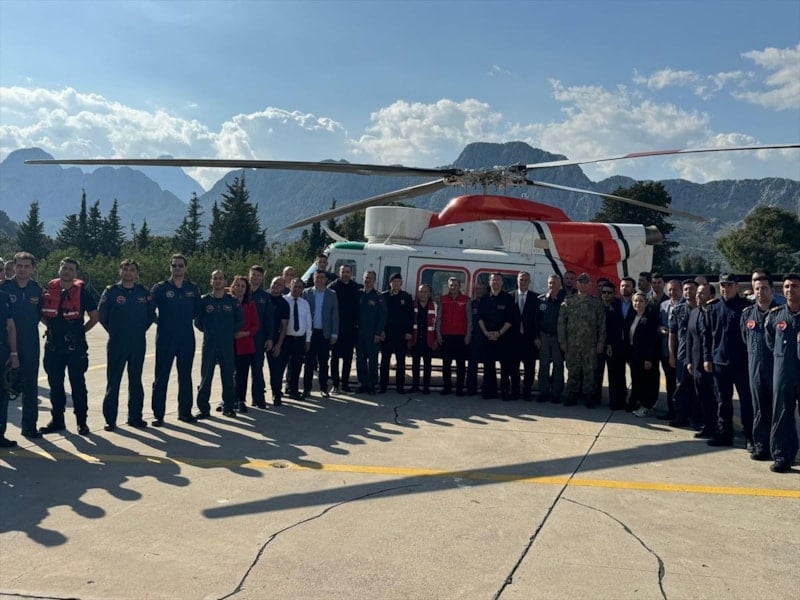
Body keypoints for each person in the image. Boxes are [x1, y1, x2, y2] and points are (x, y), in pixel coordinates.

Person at [40, 257, 99, 436]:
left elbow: (95, 317)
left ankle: (82, 422)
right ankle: (57, 420)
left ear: (76, 273)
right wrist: (51, 328)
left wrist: (80, 332)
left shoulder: (83, 293)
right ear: (59, 269)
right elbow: (42, 314)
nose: (67, 271)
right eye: (64, 268)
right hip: (53, 346)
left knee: (78, 384)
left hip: (75, 347)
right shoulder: (49, 291)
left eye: (71, 269)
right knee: (55, 385)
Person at [97, 259, 156, 431]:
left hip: (137, 342)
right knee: (113, 380)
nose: (128, 272)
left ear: (137, 274)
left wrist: (139, 329)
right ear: (120, 271)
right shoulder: (111, 291)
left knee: (136, 380)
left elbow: (150, 315)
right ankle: (110, 419)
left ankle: (135, 417)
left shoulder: (143, 292)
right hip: (117, 341)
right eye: (125, 269)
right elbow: (102, 315)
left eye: (132, 270)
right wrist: (114, 331)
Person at [150, 254, 200, 425]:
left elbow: (198, 311)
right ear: (170, 267)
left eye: (180, 265)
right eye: (174, 265)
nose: (177, 268)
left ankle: (185, 412)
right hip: (166, 337)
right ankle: (158, 414)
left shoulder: (192, 288)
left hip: (186, 337)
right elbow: (150, 310)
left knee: (185, 376)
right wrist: (162, 322)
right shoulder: (160, 288)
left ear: (186, 268)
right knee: (161, 376)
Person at [705, 273, 753, 449]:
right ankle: (724, 435)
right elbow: (707, 336)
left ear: (737, 286)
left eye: (729, 285)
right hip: (720, 362)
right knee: (722, 401)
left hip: (741, 363)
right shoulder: (713, 307)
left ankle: (750, 437)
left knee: (746, 402)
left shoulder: (746, 307)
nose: (725, 288)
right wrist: (707, 358)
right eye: (722, 285)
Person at [0, 252, 43, 438]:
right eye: (19, 265)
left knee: (31, 386)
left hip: (30, 343)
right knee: (4, 388)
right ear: (13, 266)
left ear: (33, 268)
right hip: (6, 344)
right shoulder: (4, 288)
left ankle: (29, 427)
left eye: (27, 266)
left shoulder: (38, 290)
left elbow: (43, 314)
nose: (22, 269)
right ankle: (1, 433)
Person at [764, 274, 800, 473]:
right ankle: (782, 456)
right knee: (782, 415)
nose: (789, 290)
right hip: (784, 371)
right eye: (786, 286)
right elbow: (770, 342)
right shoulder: (775, 315)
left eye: (794, 286)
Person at [194, 270, 242, 418]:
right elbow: (198, 321)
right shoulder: (205, 300)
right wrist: (209, 331)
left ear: (225, 282)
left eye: (221, 278)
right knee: (206, 377)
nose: (218, 281)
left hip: (226, 344)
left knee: (227, 377)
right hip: (209, 344)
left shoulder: (232, 301)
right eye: (215, 278)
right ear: (211, 281)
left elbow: (239, 321)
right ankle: (203, 409)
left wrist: (228, 332)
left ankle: (228, 407)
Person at [740, 275, 778, 461]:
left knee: (778, 410)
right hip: (755, 367)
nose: (760, 292)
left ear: (772, 290)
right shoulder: (747, 314)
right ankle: (761, 446)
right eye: (757, 289)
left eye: (764, 288)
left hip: (776, 368)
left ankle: (777, 448)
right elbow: (744, 338)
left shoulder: (780, 314)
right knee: (759, 409)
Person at [558, 273, 605, 408]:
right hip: (572, 344)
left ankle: (589, 398)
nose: (583, 285)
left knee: (590, 372)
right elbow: (561, 323)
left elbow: (602, 324)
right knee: (573, 371)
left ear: (590, 285)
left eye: (586, 282)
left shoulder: (596, 303)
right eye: (581, 282)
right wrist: (562, 341)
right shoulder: (568, 301)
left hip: (590, 345)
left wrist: (601, 342)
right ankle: (571, 396)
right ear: (577, 284)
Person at [478, 273, 518, 400]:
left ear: (502, 283)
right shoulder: (484, 299)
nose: (495, 282)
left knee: (505, 366)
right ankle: (489, 391)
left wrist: (499, 333)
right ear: (489, 282)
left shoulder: (508, 298)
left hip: (503, 338)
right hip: (487, 337)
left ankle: (505, 391)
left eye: (498, 280)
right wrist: (486, 332)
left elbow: (510, 320)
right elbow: (480, 318)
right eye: (493, 280)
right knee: (488, 366)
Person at [686, 284, 716, 439]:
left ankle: (717, 427)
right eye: (697, 293)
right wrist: (689, 361)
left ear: (711, 296)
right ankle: (706, 425)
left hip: (712, 363)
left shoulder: (715, 312)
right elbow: (689, 339)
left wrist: (708, 358)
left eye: (702, 293)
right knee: (702, 395)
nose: (698, 296)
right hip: (696, 362)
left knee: (714, 397)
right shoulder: (694, 312)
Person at [303, 270, 339, 397]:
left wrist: (334, 334)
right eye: (317, 277)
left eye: (322, 277)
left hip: (325, 334)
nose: (319, 279)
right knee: (309, 363)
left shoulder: (332, 294)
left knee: (324, 363)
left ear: (326, 280)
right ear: (313, 279)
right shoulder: (306, 293)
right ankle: (307, 389)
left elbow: (335, 315)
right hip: (310, 334)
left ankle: (324, 388)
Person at [668, 279, 698, 428]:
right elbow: (672, 334)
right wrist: (671, 355)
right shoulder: (678, 310)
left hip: (698, 356)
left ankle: (697, 418)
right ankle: (681, 416)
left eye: (691, 289)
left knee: (698, 388)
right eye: (685, 289)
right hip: (682, 355)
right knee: (681, 387)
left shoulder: (703, 309)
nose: (688, 292)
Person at [328, 264, 361, 393]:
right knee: (334, 358)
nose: (345, 274)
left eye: (347, 272)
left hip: (351, 329)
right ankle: (335, 384)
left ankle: (345, 384)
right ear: (339, 272)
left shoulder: (356, 288)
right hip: (336, 329)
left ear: (351, 273)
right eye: (343, 272)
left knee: (348, 358)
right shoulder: (332, 287)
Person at [436, 277, 471, 396]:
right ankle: (447, 386)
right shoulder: (443, 299)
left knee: (460, 364)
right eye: (451, 285)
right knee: (446, 364)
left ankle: (459, 388)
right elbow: (439, 318)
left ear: (460, 286)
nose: (453, 287)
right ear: (448, 286)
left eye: (456, 285)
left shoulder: (466, 300)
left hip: (461, 336)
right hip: (446, 336)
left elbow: (469, 320)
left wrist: (468, 335)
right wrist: (438, 333)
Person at [230, 275, 260, 413]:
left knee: (242, 374)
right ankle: (228, 399)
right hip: (229, 343)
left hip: (245, 344)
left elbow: (255, 325)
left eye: (243, 286)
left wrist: (245, 333)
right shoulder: (228, 302)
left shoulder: (250, 304)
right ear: (233, 287)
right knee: (228, 373)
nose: (240, 288)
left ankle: (240, 400)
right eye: (237, 285)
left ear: (246, 289)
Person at [380, 273, 413, 394]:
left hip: (401, 334)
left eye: (398, 281)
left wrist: (409, 331)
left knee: (401, 361)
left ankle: (400, 387)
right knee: (385, 361)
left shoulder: (406, 297)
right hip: (387, 334)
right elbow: (380, 315)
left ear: (401, 283)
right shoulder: (384, 296)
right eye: (394, 281)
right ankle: (383, 386)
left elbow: (410, 316)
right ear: (390, 283)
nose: (396, 283)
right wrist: (381, 330)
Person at [629, 293, 661, 417]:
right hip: (634, 354)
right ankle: (638, 403)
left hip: (646, 355)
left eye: (641, 301)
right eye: (635, 301)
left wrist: (649, 358)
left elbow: (653, 340)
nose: (638, 303)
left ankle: (647, 406)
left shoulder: (650, 318)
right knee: (637, 380)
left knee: (647, 382)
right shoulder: (632, 316)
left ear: (646, 303)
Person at [655, 279, 682, 420]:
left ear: (681, 290)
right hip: (666, 351)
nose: (672, 292)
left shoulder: (686, 305)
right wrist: (660, 329)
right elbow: (658, 323)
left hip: (682, 352)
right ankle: (671, 411)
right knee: (670, 383)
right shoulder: (664, 305)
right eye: (670, 289)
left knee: (681, 384)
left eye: (675, 289)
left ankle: (682, 413)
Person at [608, 276, 636, 410]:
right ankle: (616, 401)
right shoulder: (614, 304)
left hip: (632, 346)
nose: (625, 288)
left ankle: (633, 402)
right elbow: (609, 325)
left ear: (633, 288)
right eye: (622, 286)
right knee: (616, 375)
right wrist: (608, 344)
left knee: (636, 376)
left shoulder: (637, 303)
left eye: (628, 286)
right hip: (616, 345)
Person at [356, 270, 386, 394]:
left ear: (374, 280)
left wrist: (378, 333)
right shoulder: (358, 294)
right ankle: (362, 383)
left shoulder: (378, 296)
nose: (367, 280)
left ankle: (372, 385)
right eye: (366, 278)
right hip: (359, 333)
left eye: (370, 278)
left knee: (373, 360)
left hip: (372, 333)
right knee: (360, 359)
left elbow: (383, 317)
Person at [248, 266, 273, 409]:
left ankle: (258, 399)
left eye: (258, 275)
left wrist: (269, 338)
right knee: (238, 370)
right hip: (243, 338)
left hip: (258, 338)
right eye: (253, 274)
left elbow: (269, 319)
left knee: (257, 369)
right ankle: (235, 399)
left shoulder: (265, 296)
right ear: (249, 275)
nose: (255, 277)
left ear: (262, 278)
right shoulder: (242, 292)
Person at [536, 274, 564, 403]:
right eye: (550, 283)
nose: (552, 285)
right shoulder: (541, 300)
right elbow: (536, 320)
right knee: (544, 364)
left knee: (558, 365)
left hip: (558, 337)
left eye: (555, 283)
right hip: (544, 336)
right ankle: (543, 392)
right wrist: (537, 337)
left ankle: (556, 394)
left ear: (560, 285)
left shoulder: (565, 301)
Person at [512, 271, 540, 400]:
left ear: (529, 282)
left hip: (529, 338)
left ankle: (527, 391)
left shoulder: (536, 298)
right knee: (514, 366)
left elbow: (538, 320)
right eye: (521, 280)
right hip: (514, 338)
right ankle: (515, 390)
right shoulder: (510, 296)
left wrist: (537, 337)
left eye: (525, 280)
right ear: (517, 280)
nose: (523, 282)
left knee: (529, 367)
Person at [595, 281, 622, 407]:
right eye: (604, 292)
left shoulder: (618, 306)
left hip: (612, 346)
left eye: (609, 292)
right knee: (597, 373)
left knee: (614, 375)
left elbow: (618, 328)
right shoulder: (596, 306)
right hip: (597, 345)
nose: (606, 295)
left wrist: (610, 344)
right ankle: (596, 398)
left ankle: (614, 401)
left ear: (614, 293)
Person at [284, 278, 312, 400]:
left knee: (296, 366)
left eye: (299, 287)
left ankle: (293, 390)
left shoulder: (304, 303)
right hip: (286, 338)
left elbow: (308, 323)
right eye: (295, 286)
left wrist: (308, 340)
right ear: (290, 286)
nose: (297, 289)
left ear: (302, 289)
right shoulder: (284, 300)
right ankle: (280, 390)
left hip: (300, 339)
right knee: (282, 365)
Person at [0, 288, 20, 447]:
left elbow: (10, 327)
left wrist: (13, 353)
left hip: (1, 350)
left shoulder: (3, 296)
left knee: (2, 395)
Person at [409, 284, 437, 394]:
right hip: (415, 340)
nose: (423, 294)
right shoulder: (412, 305)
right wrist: (409, 339)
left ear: (429, 294)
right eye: (421, 291)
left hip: (428, 340)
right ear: (418, 293)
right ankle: (415, 386)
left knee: (427, 366)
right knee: (415, 365)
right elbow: (408, 322)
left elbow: (438, 324)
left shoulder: (435, 306)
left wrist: (436, 340)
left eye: (426, 292)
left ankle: (426, 387)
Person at [266, 276, 290, 406]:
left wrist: (279, 345)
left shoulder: (284, 304)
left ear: (283, 288)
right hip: (259, 337)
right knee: (256, 369)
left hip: (275, 339)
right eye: (274, 283)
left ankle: (276, 394)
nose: (276, 286)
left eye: (279, 285)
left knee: (276, 370)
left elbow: (284, 326)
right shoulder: (263, 298)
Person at [465, 282, 487, 396]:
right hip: (474, 338)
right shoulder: (471, 304)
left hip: (487, 338)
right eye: (477, 289)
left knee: (488, 364)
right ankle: (471, 388)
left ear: (485, 291)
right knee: (472, 364)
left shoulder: (489, 302)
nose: (479, 291)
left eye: (481, 289)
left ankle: (486, 388)